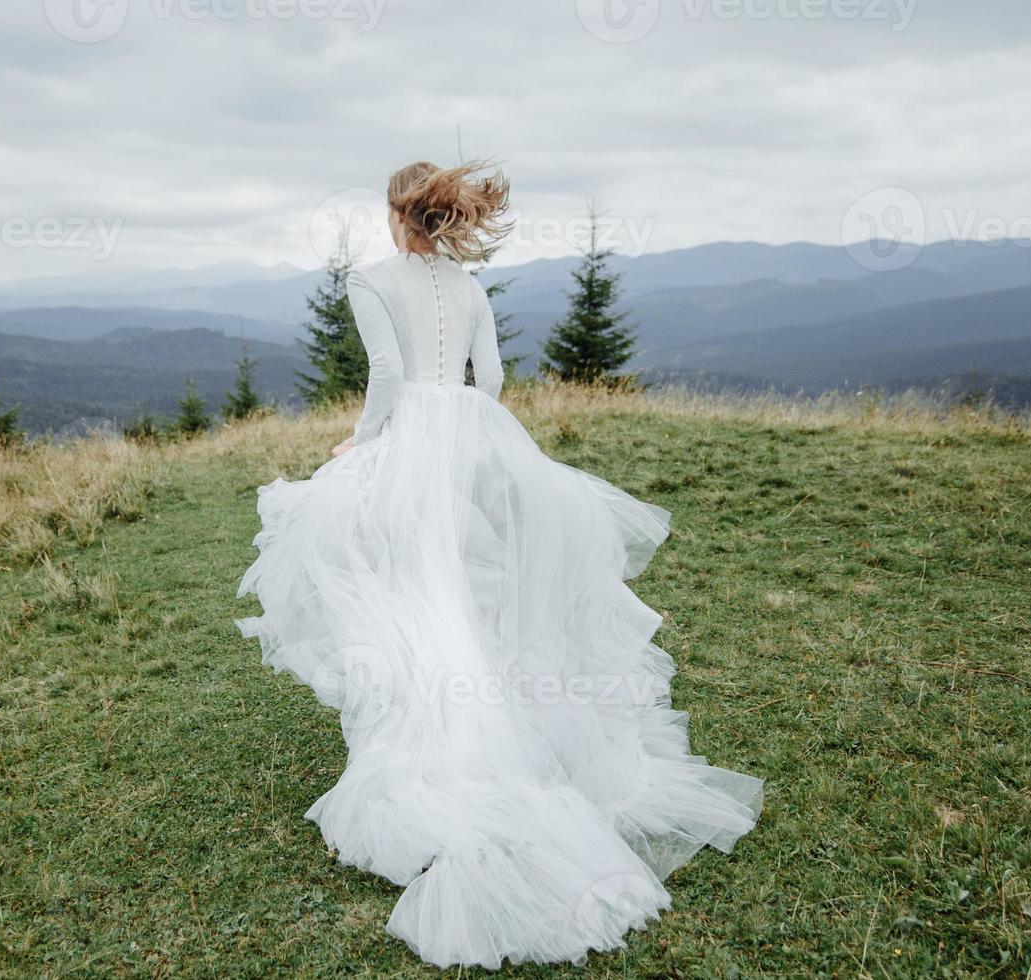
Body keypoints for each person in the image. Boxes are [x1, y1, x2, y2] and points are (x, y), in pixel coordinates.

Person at [236, 160, 762, 969]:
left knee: (411, 594)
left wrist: (360, 445)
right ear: (446, 216)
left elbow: (383, 376)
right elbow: (496, 377)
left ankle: (444, 748)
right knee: (475, 597)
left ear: (393, 214)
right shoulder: (472, 289)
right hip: (473, 437)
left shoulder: (371, 282)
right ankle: (492, 722)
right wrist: (471, 432)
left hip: (408, 443)